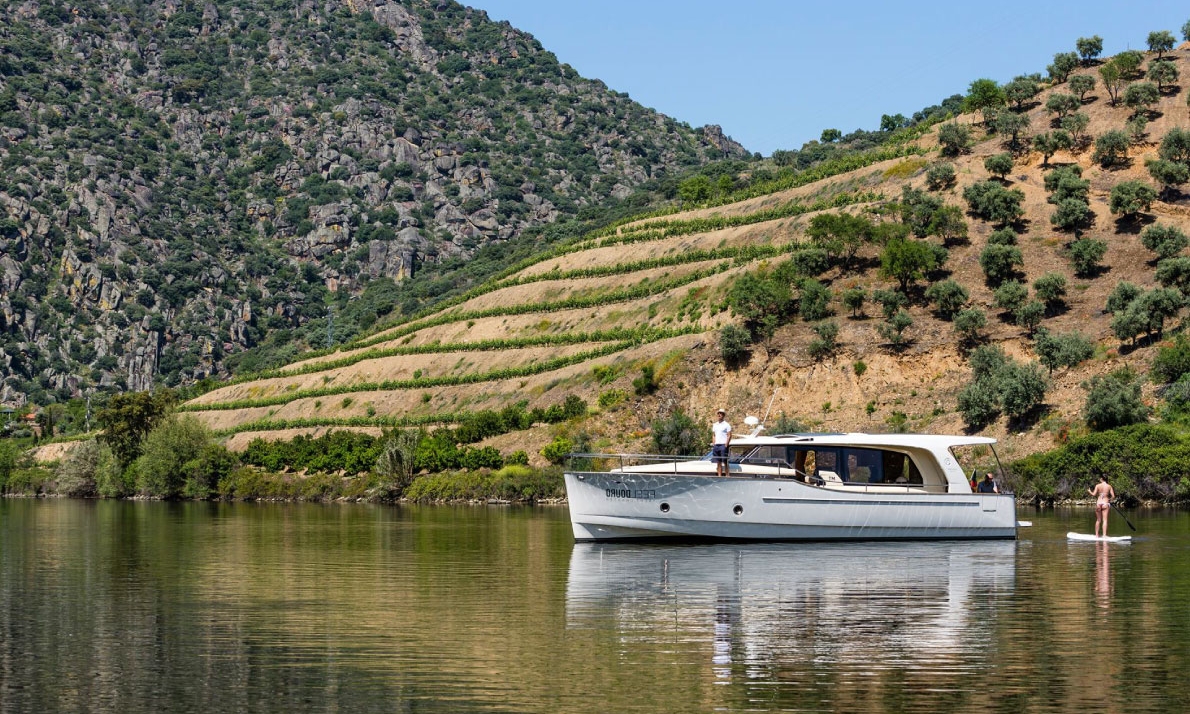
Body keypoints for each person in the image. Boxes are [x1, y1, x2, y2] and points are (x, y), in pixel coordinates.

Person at [711, 409, 732, 477]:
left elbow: (729, 435)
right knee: (718, 462)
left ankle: (727, 475)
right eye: (718, 413)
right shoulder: (715, 425)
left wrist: (726, 444)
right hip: (716, 445)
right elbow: (714, 435)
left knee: (725, 461)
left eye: (721, 413)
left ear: (723, 415)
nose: (719, 414)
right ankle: (719, 476)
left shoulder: (727, 425)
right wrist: (714, 443)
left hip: (723, 445)